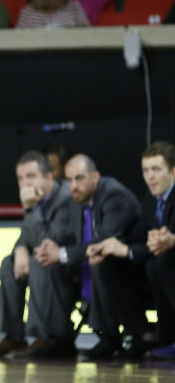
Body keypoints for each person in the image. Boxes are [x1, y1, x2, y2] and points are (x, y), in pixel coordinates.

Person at [19, 154, 139, 359]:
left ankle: (110, 336)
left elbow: (103, 242)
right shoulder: (76, 200)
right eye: (69, 179)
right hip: (87, 266)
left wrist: (62, 252)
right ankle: (57, 337)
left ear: (95, 177)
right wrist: (53, 245)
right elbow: (71, 235)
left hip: (128, 268)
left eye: (80, 178)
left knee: (99, 260)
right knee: (45, 261)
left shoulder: (114, 196)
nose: (73, 185)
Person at [87, 142, 175, 359]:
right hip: (159, 271)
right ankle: (143, 335)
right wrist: (110, 247)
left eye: (156, 169)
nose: (150, 176)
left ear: (173, 171)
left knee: (159, 262)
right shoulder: (149, 200)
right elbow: (137, 239)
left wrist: (169, 240)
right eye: (146, 170)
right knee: (111, 264)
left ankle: (169, 338)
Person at [0, 151, 72, 357]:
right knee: (8, 264)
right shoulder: (35, 199)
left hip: (68, 264)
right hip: (46, 260)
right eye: (20, 178)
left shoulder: (66, 199)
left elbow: (48, 243)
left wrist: (32, 210)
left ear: (48, 177)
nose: (25, 183)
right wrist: (20, 248)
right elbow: (27, 235)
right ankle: (13, 335)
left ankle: (44, 336)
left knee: (39, 261)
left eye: (31, 176)